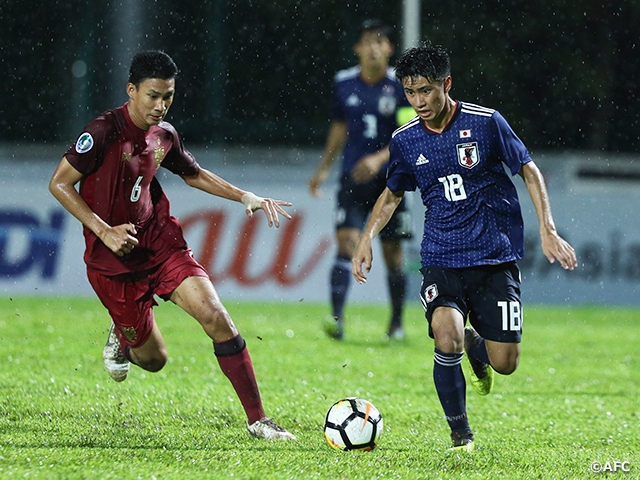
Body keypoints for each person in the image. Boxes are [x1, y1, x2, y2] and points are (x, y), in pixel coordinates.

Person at [49, 50, 296, 441]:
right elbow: (59, 183)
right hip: (112, 259)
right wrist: (104, 230)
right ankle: (123, 333)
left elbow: (192, 173)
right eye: (152, 96)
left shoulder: (164, 135)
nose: (161, 106)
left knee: (217, 318)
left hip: (159, 241)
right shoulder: (102, 131)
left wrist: (244, 195)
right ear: (131, 91)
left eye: (168, 96)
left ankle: (258, 420)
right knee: (154, 361)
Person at [352, 42, 577, 451]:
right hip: (441, 258)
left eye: (425, 90)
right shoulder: (405, 141)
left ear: (446, 84)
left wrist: (547, 227)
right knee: (445, 334)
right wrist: (366, 239)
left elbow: (528, 169)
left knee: (506, 364)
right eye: (410, 92)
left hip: (494, 258)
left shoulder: (486, 122)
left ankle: (478, 345)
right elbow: (391, 194)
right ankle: (461, 435)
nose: (418, 101)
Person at [309, 19, 415, 341]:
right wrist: (323, 168)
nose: (373, 48)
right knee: (346, 243)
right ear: (357, 48)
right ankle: (336, 319)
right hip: (352, 180)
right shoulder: (343, 83)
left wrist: (379, 158)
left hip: (391, 182)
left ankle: (396, 324)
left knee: (393, 252)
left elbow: (408, 133)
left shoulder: (401, 85)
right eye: (367, 41)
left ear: (389, 49)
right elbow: (339, 128)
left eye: (380, 42)